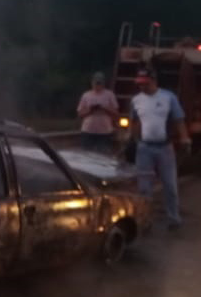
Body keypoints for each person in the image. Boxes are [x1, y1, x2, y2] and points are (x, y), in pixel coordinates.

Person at [130, 66, 191, 229]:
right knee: (144, 187)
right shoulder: (136, 100)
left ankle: (173, 218)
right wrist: (132, 140)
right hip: (144, 148)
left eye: (145, 83)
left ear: (153, 81)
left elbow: (179, 120)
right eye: (140, 84)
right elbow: (134, 122)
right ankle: (145, 219)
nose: (142, 86)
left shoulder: (168, 97)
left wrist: (185, 138)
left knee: (170, 185)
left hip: (165, 148)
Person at [77, 71, 119, 154]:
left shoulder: (110, 95)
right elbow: (80, 114)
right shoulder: (86, 95)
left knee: (103, 155)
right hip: (88, 131)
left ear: (103, 83)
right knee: (85, 155)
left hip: (104, 132)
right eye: (96, 83)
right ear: (92, 82)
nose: (97, 85)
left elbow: (116, 113)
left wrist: (104, 108)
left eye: (99, 83)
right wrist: (91, 110)